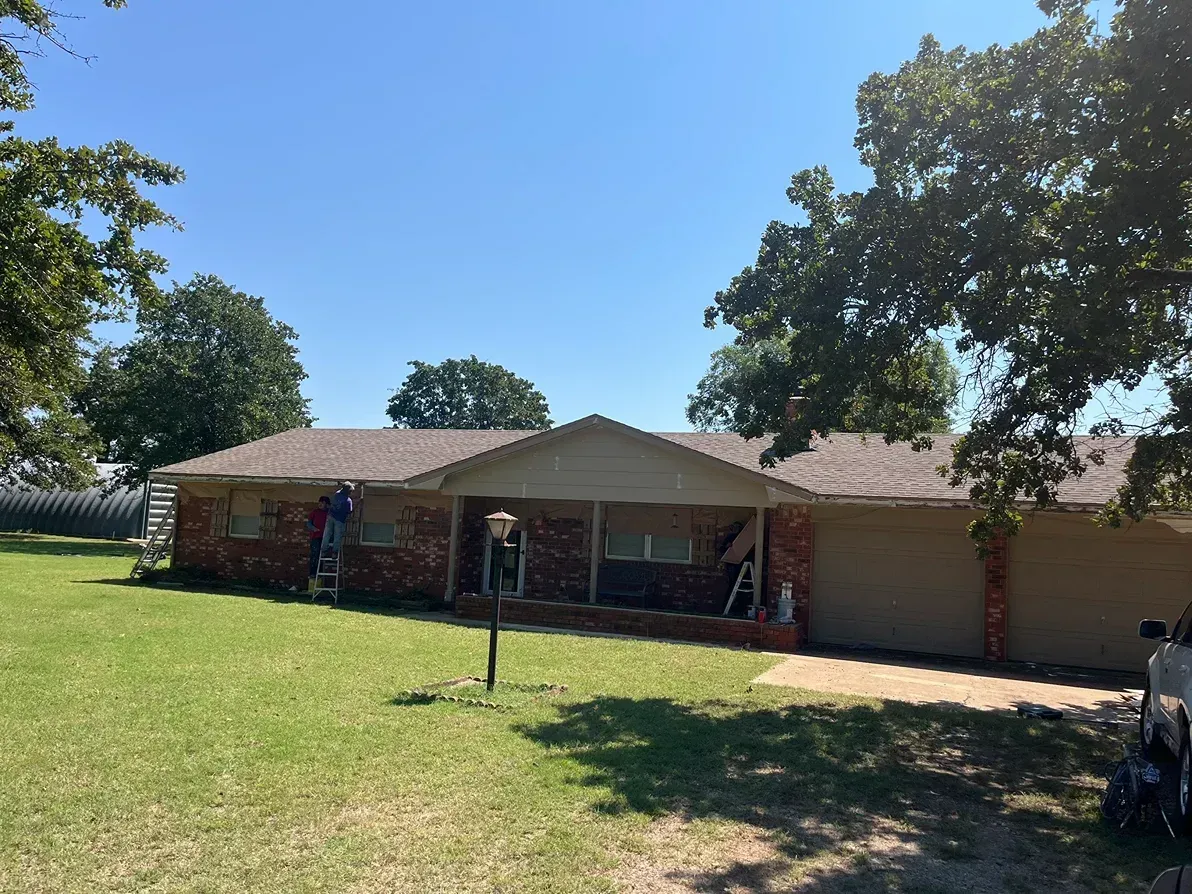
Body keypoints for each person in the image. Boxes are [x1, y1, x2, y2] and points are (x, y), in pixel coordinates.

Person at [321, 481, 355, 557]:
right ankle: (334, 553)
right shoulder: (348, 501)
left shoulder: (337, 494)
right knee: (337, 536)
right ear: (348, 491)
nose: (351, 492)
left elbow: (332, 504)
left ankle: (323, 551)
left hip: (331, 516)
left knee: (327, 534)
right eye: (351, 491)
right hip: (339, 520)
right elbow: (349, 511)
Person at [305, 496, 330, 587]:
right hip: (316, 537)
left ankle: (320, 573)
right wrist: (313, 529)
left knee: (322, 555)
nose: (320, 504)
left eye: (322, 503)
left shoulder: (328, 513)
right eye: (319, 502)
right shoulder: (315, 512)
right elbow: (308, 523)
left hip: (325, 538)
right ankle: (313, 573)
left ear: (327, 505)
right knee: (314, 555)